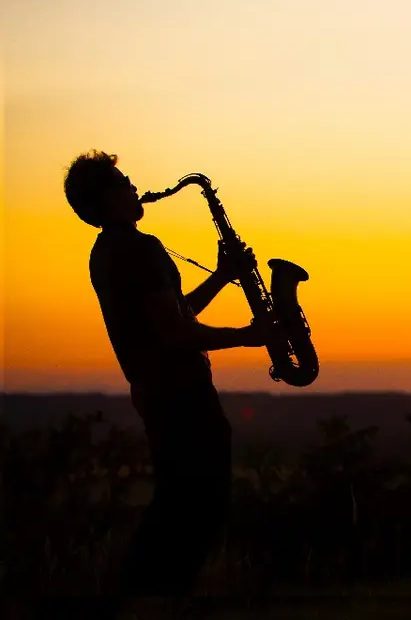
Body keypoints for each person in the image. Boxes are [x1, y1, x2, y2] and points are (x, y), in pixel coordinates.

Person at [63, 150, 268, 614]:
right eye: (123, 183)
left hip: (160, 398)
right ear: (107, 200)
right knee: (196, 510)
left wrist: (220, 277)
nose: (135, 187)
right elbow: (176, 333)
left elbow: (172, 316)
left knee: (177, 507)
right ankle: (149, 602)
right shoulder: (139, 248)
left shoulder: (109, 252)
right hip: (182, 397)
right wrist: (251, 336)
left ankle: (146, 600)